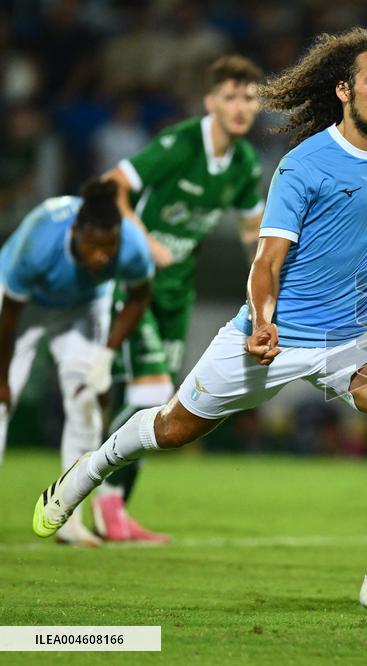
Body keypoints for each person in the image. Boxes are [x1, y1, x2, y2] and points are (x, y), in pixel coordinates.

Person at [32, 28, 367, 610]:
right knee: (171, 429)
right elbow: (266, 262)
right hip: (275, 338)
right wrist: (262, 321)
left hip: (354, 340)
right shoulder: (304, 166)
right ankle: (87, 471)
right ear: (344, 90)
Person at [94, 55, 265, 543]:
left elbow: (252, 229)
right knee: (150, 395)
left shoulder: (244, 163)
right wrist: (146, 241)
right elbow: (114, 186)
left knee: (155, 404)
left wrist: (270, 273)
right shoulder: (181, 143)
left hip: (176, 292)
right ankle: (104, 501)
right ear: (211, 102)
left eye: (249, 97)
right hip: (134, 285)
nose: (240, 107)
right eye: (230, 97)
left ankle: (115, 507)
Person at [0, 180, 153, 546]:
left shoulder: (130, 244)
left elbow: (138, 298)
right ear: (75, 231)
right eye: (93, 245)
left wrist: (106, 356)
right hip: (22, 309)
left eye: (108, 247)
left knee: (84, 402)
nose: (101, 256)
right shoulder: (39, 240)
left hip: (81, 308)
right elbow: (9, 314)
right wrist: (2, 376)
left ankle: (68, 521)